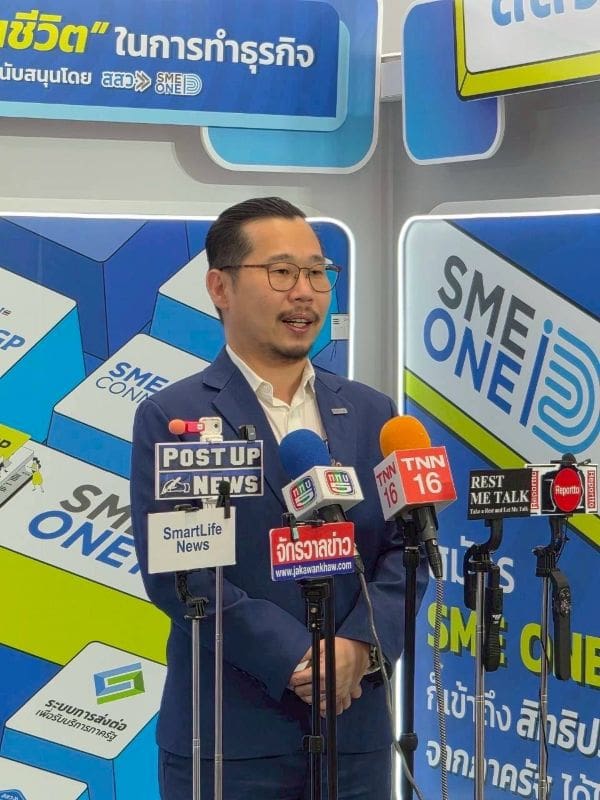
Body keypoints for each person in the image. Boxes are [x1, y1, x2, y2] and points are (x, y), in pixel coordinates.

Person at [130, 197, 428, 799]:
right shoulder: (173, 415)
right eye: (282, 272)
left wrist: (359, 647)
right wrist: (298, 659)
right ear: (220, 287)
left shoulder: (372, 411)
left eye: (318, 273)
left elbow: (408, 548)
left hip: (358, 733)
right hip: (230, 738)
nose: (305, 293)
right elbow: (181, 573)